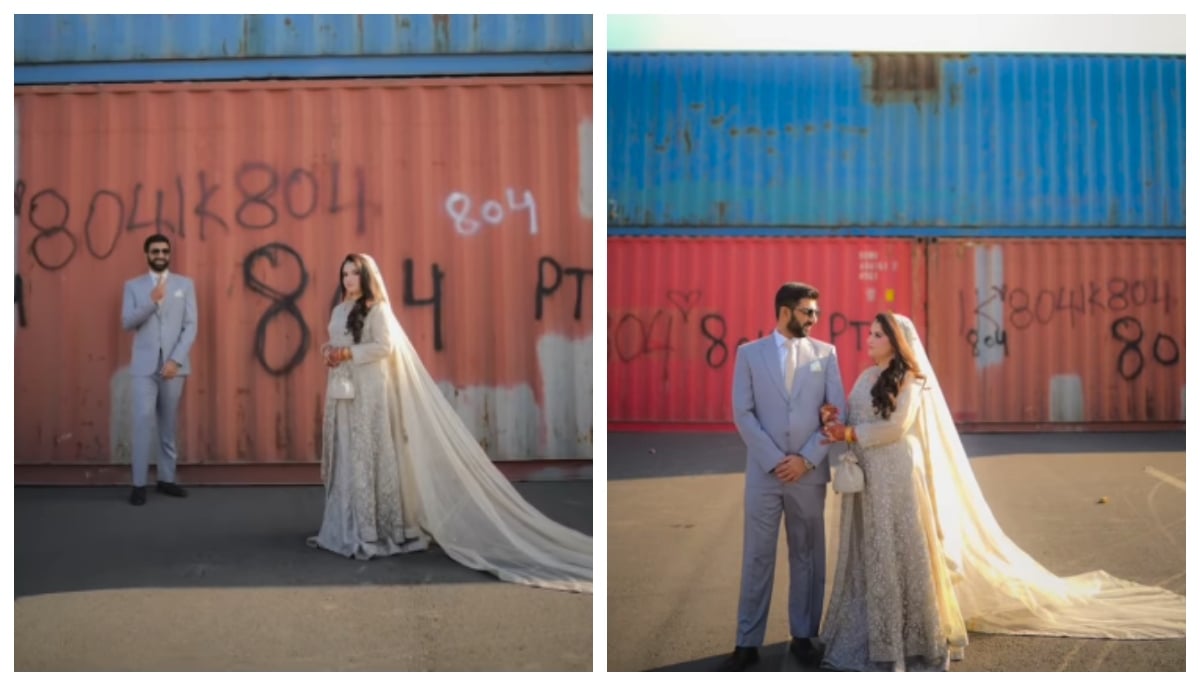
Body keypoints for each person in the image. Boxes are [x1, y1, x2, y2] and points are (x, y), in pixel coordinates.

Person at [819, 312, 1185, 671]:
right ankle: (874, 630)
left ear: (897, 343)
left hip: (897, 476)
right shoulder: (866, 377)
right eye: (869, 334)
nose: (869, 340)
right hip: (870, 477)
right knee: (874, 551)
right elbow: (855, 419)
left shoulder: (913, 380)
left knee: (901, 550)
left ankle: (908, 639)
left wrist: (848, 435)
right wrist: (835, 420)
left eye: (878, 335)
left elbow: (896, 428)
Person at [307, 254, 592, 594]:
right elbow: (341, 342)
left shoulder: (378, 310)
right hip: (343, 391)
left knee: (369, 452)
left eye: (355, 273)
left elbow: (385, 347)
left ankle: (374, 530)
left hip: (370, 392)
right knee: (350, 453)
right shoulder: (339, 310)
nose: (349, 279)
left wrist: (349, 354)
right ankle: (350, 525)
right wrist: (331, 351)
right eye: (345, 273)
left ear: (367, 277)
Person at [719, 282, 846, 671]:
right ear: (786, 311)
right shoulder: (749, 354)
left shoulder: (826, 354)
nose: (814, 320)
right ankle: (747, 640)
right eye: (808, 312)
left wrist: (805, 460)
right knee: (757, 555)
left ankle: (805, 635)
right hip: (764, 473)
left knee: (807, 556)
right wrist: (776, 460)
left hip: (808, 474)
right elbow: (743, 413)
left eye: (817, 314)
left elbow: (836, 413)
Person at [120, 233, 198, 506]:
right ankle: (138, 484)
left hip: (173, 367)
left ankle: (167, 479)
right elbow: (127, 322)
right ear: (147, 254)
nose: (161, 254)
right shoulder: (133, 286)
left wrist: (175, 360)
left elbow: (191, 325)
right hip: (144, 366)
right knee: (142, 420)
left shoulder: (185, 285)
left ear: (169, 253)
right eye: (155, 251)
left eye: (165, 250)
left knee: (168, 423)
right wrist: (151, 301)